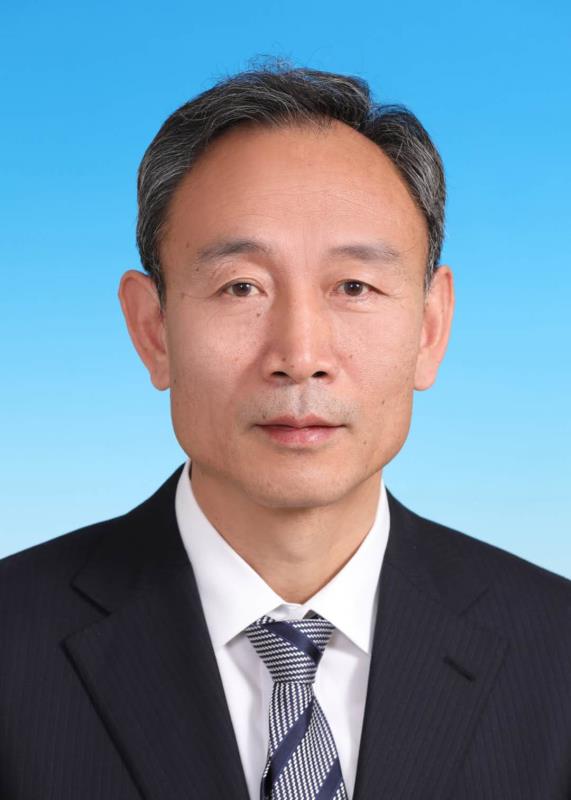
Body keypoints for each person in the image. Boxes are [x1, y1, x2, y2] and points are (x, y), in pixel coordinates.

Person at [1, 62, 570, 800]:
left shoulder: (556, 651)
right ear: (153, 330)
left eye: (354, 287)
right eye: (242, 287)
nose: (300, 356)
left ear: (430, 328)